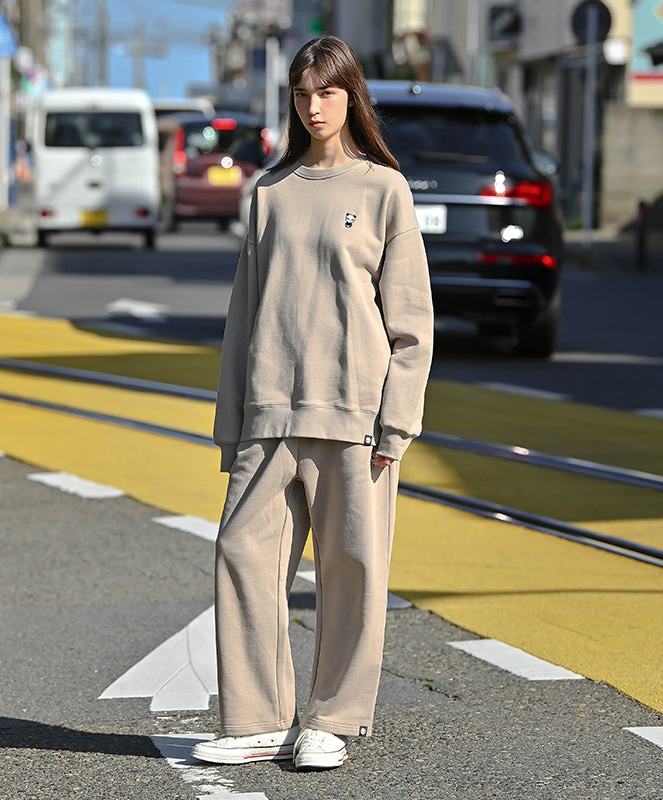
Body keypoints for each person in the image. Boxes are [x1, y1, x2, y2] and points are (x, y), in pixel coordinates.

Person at [191, 35, 434, 771]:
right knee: (241, 553)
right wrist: (229, 421)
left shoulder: (383, 190)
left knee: (351, 567)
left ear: (350, 96)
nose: (313, 105)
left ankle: (333, 716)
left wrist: (397, 421)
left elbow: (411, 326)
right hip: (269, 411)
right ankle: (260, 717)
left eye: (326, 92)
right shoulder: (269, 191)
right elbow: (243, 316)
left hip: (355, 418)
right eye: (302, 93)